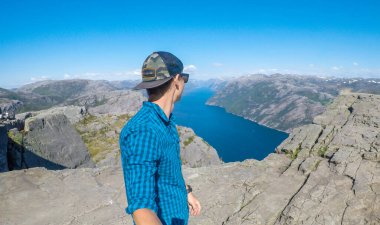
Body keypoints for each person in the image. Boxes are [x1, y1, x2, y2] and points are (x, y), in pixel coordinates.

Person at [119, 51, 201, 225]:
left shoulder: (164, 121)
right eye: (184, 78)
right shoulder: (143, 131)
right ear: (176, 80)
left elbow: (167, 170)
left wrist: (187, 192)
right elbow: (141, 207)